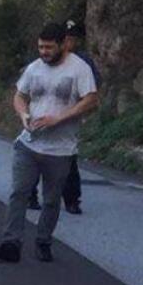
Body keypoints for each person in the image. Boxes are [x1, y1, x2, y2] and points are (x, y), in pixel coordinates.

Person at [0, 23, 99, 264]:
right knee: (19, 193)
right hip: (29, 144)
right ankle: (11, 243)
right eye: (40, 47)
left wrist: (59, 118)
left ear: (63, 44)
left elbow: (91, 100)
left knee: (51, 199)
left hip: (60, 150)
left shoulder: (79, 69)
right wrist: (23, 115)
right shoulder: (34, 68)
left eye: (49, 47)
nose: (44, 52)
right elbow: (20, 95)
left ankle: (43, 241)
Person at [27, 19, 101, 213]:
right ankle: (30, 194)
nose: (68, 43)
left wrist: (80, 109)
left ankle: (71, 199)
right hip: (41, 116)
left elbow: (92, 90)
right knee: (34, 154)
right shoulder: (45, 59)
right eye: (66, 39)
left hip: (68, 117)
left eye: (72, 39)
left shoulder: (82, 63)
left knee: (68, 159)